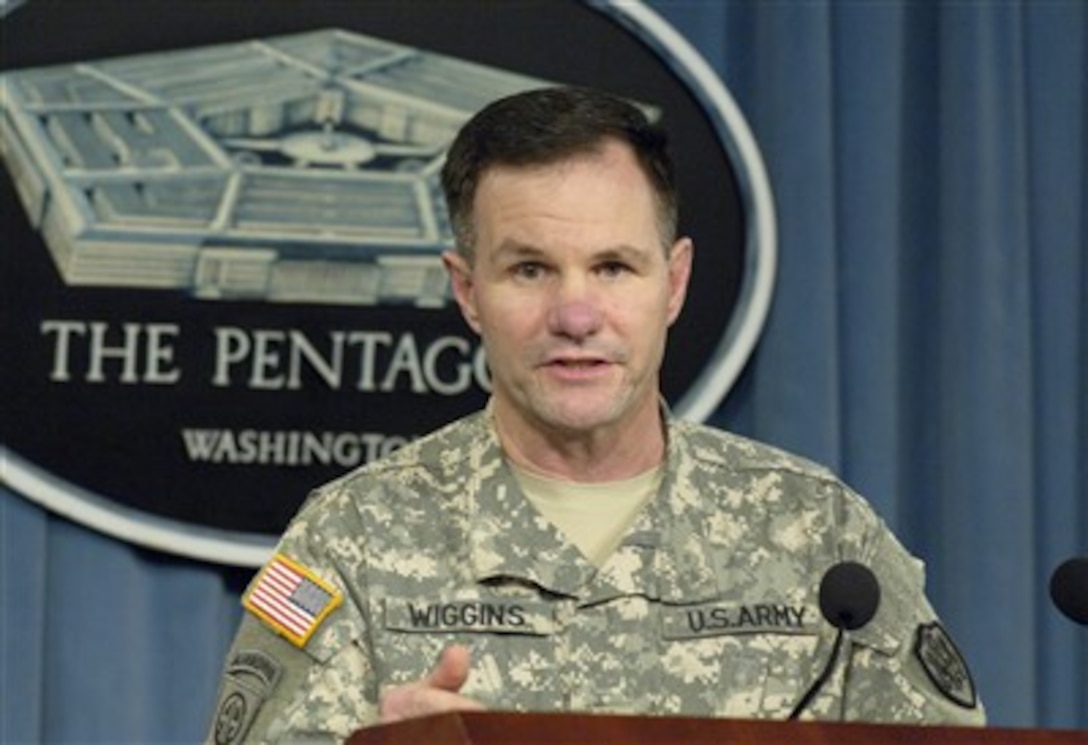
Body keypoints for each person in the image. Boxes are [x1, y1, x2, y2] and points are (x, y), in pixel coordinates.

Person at [206, 86, 985, 744]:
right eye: (530, 269)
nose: (576, 314)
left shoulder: (823, 538)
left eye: (614, 266)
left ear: (673, 283)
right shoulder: (348, 539)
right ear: (468, 290)